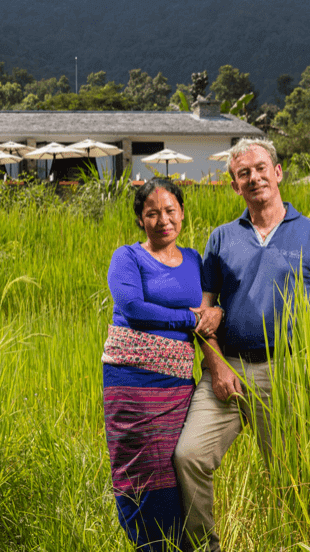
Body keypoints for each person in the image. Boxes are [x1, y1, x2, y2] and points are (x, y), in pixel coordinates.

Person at [173, 138, 310, 552]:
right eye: (243, 173)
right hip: (228, 368)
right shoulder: (220, 239)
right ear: (235, 186)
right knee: (189, 456)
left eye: (260, 168)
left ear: (278, 172)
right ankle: (204, 547)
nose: (254, 177)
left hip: (287, 371)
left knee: (292, 474)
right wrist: (215, 366)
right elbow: (205, 310)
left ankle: (297, 542)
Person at [103, 178, 211, 551]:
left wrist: (212, 316)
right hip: (134, 383)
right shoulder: (128, 257)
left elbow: (210, 311)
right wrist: (189, 318)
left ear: (182, 214)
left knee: (178, 468)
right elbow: (133, 308)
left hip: (178, 386)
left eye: (170, 211)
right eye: (152, 213)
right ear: (140, 221)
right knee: (144, 471)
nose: (163, 220)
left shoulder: (196, 260)